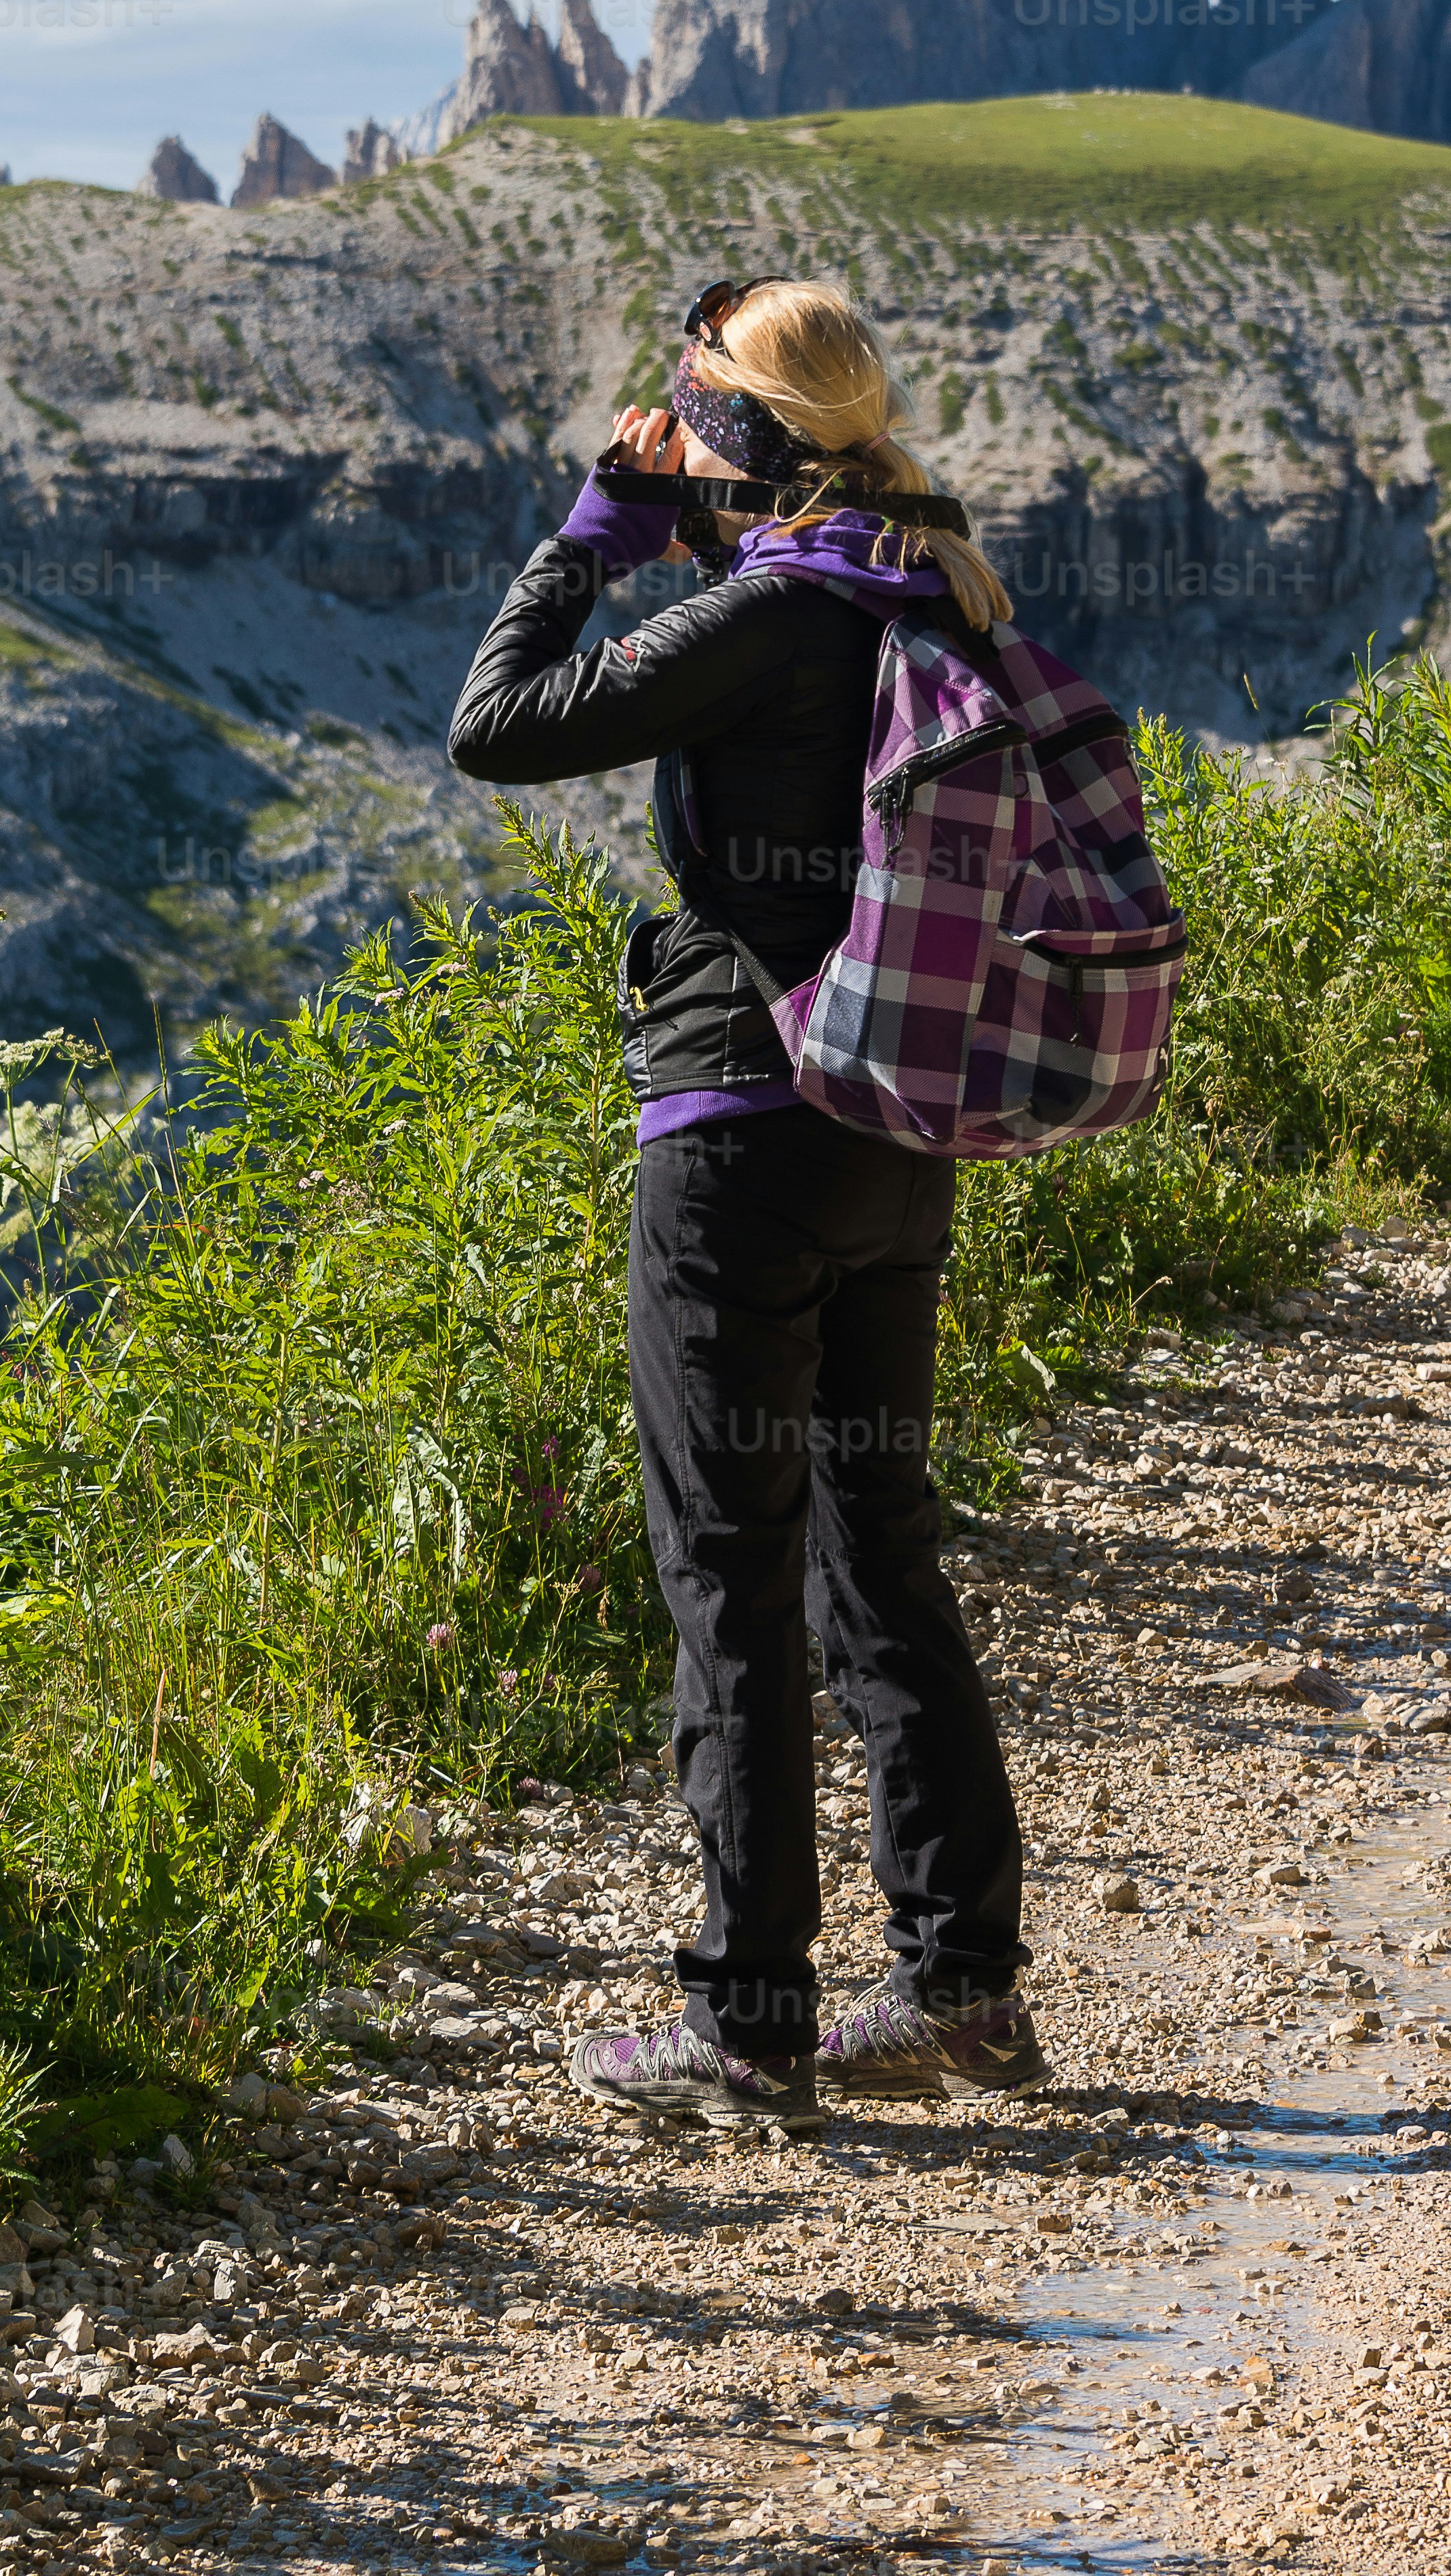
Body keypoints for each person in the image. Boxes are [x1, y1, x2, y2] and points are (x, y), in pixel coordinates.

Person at [445, 277, 1042, 2133]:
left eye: (692, 406)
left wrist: (595, 532)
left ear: (746, 437)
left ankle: (751, 2014)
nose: (667, 427)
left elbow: (501, 722)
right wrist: (705, 497)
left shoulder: (775, 604)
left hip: (736, 1128)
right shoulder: (923, 577)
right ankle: (960, 1985)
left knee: (728, 1566)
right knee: (881, 1552)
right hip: (895, 1128)